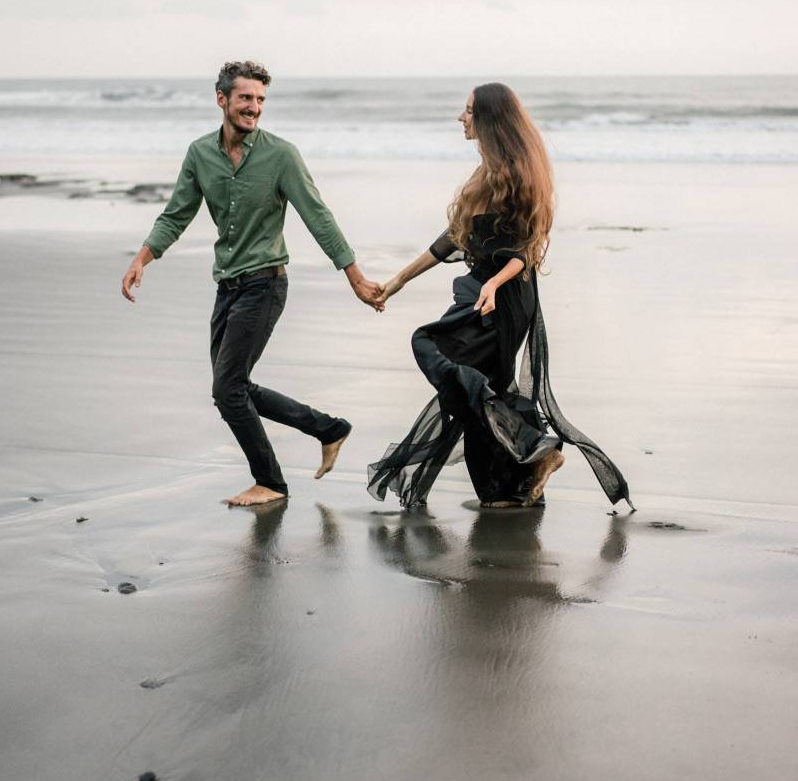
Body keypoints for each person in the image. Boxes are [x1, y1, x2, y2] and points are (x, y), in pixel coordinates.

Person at [121, 60, 383, 507]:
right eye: (245, 98)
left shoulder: (281, 156)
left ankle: (272, 483)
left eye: (260, 99)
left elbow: (318, 216)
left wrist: (354, 277)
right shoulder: (200, 154)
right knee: (233, 389)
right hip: (227, 287)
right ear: (222, 99)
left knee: (228, 389)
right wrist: (143, 257)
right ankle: (328, 428)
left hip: (266, 284)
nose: (254, 107)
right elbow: (177, 213)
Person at [369, 82, 631, 512]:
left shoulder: (514, 172)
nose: (461, 117)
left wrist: (492, 284)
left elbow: (524, 249)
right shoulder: (488, 170)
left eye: (469, 110)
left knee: (435, 350)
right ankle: (511, 485)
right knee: (477, 388)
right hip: (483, 291)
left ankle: (536, 450)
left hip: (503, 298)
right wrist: (399, 280)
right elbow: (453, 239)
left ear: (489, 119)